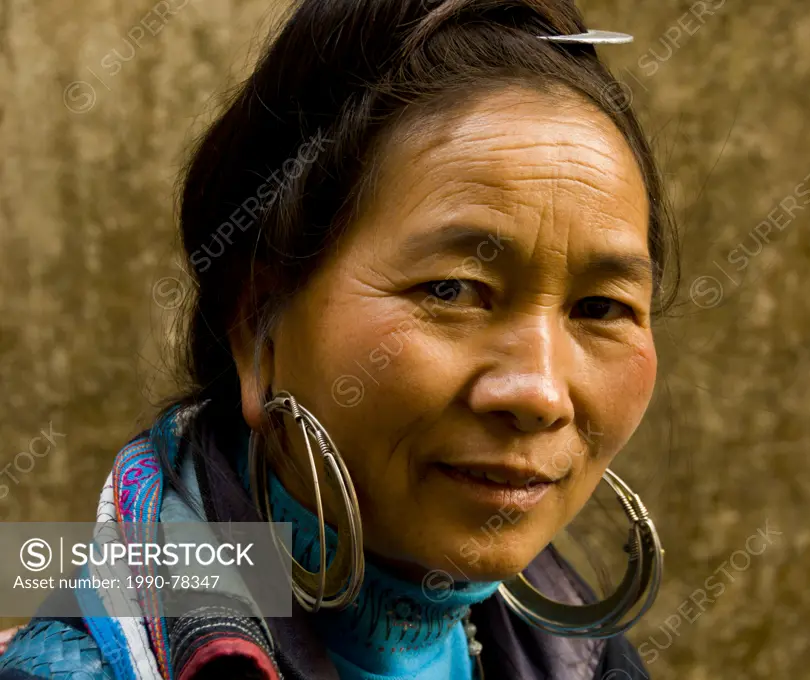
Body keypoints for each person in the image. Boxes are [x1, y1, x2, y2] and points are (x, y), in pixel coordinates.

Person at [0, 0, 680, 677]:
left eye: (599, 306)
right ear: (256, 329)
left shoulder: (582, 659)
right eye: (451, 290)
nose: (539, 392)